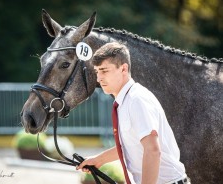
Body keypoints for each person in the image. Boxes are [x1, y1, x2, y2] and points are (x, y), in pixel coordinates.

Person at [76, 42, 190, 184]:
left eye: (104, 71)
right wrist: (99, 160)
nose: (99, 78)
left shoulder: (137, 100)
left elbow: (152, 150)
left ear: (124, 69)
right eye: (97, 71)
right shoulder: (126, 100)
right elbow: (131, 145)